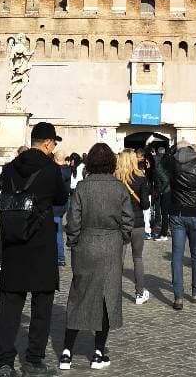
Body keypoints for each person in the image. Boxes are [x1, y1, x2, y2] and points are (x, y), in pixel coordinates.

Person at [0, 121, 69, 377]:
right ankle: (34, 360)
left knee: (9, 305)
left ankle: (5, 362)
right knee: (42, 304)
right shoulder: (51, 170)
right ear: (49, 143)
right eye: (53, 144)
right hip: (41, 242)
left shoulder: (10, 168)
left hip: (13, 241)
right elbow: (61, 198)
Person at [61, 143, 134, 371]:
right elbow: (128, 220)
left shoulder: (82, 187)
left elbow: (73, 220)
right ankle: (98, 351)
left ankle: (66, 351)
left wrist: (74, 242)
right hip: (111, 246)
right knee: (107, 298)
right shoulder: (120, 188)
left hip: (86, 244)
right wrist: (120, 238)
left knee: (79, 295)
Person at [161, 139, 196, 309]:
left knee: (177, 255)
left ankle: (178, 297)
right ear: (192, 149)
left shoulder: (172, 165)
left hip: (177, 213)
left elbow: (160, 170)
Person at [114, 148, 151, 304]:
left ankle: (114, 293)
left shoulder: (115, 178)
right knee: (137, 258)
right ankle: (139, 293)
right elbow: (145, 205)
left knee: (118, 260)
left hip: (120, 223)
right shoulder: (140, 178)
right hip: (136, 222)